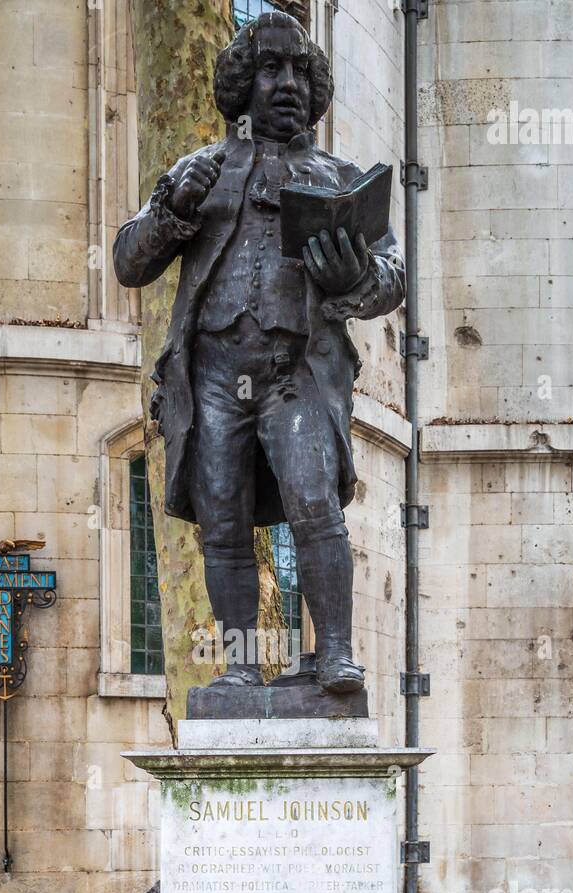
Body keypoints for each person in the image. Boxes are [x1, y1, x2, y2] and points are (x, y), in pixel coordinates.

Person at [114, 10, 405, 695]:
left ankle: (334, 654)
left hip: (296, 373)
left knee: (313, 503)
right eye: (270, 68)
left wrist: (354, 278)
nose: (286, 83)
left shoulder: (340, 178)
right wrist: (166, 213)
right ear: (244, 82)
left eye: (299, 69)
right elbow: (129, 261)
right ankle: (241, 666)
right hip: (213, 375)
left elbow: (392, 278)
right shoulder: (201, 170)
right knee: (223, 519)